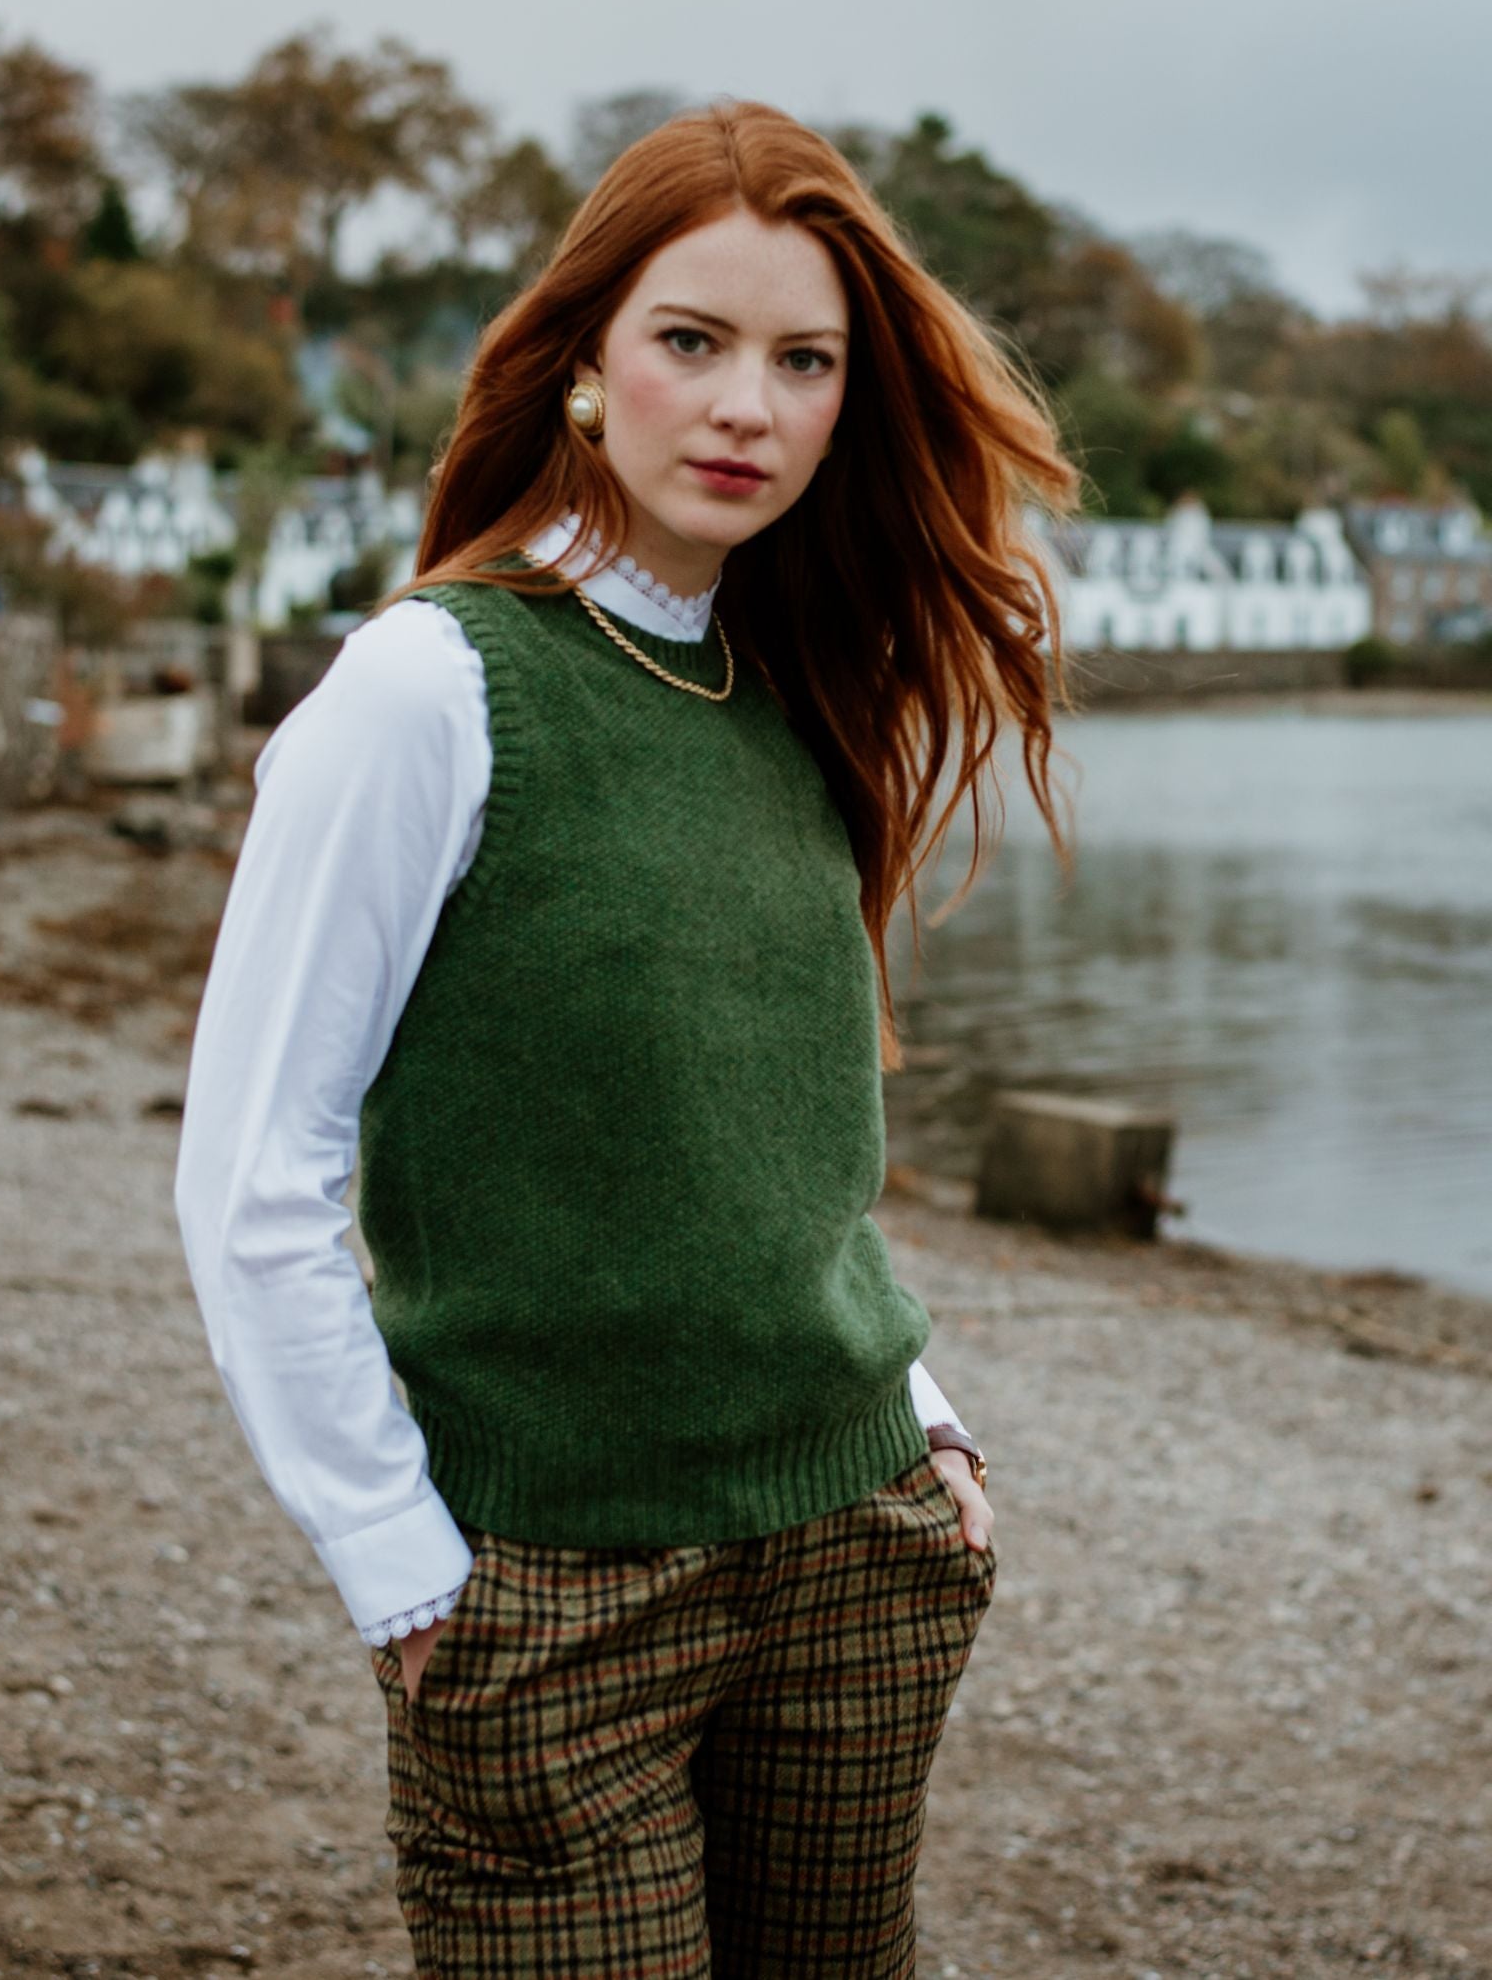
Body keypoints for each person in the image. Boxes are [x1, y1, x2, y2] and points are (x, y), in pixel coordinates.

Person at [174, 98, 1081, 1979]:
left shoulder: (794, 687)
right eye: (693, 341)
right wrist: (399, 1561)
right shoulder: (431, 688)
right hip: (549, 1597)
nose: (747, 405)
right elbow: (253, 1171)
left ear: (848, 403)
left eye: (803, 360)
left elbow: (781, 1144)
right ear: (585, 364)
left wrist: (920, 1420)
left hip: (856, 1558)